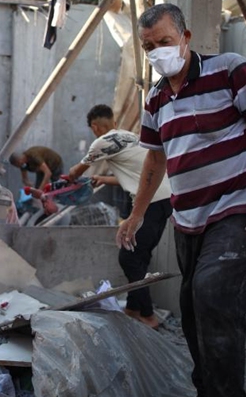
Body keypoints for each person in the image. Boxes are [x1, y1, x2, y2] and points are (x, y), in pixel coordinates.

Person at [117, 3, 246, 397]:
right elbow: (154, 161)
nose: (157, 53)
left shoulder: (230, 70)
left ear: (186, 37)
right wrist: (136, 214)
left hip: (237, 209)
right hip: (188, 219)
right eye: (148, 47)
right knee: (193, 310)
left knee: (213, 293)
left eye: (165, 42)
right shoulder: (155, 98)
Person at [64, 104, 172, 328]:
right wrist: (104, 179)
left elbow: (76, 172)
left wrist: (64, 183)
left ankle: (149, 316)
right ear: (113, 122)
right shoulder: (129, 137)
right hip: (165, 199)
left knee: (129, 258)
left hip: (149, 203)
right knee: (139, 255)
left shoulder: (101, 142)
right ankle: (132, 309)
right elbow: (134, 174)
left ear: (95, 127)